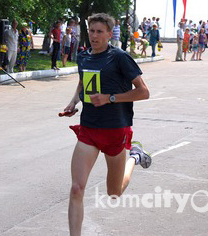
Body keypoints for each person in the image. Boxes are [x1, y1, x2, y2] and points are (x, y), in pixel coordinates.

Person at [64, 13, 151, 235]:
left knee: (114, 192)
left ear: (109, 34)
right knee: (76, 188)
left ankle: (135, 156)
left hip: (115, 130)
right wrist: (73, 103)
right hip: (89, 130)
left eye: (99, 31)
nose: (94, 36)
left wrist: (110, 97)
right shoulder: (84, 57)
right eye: (91, 31)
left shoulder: (119, 57)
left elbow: (143, 92)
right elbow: (83, 82)